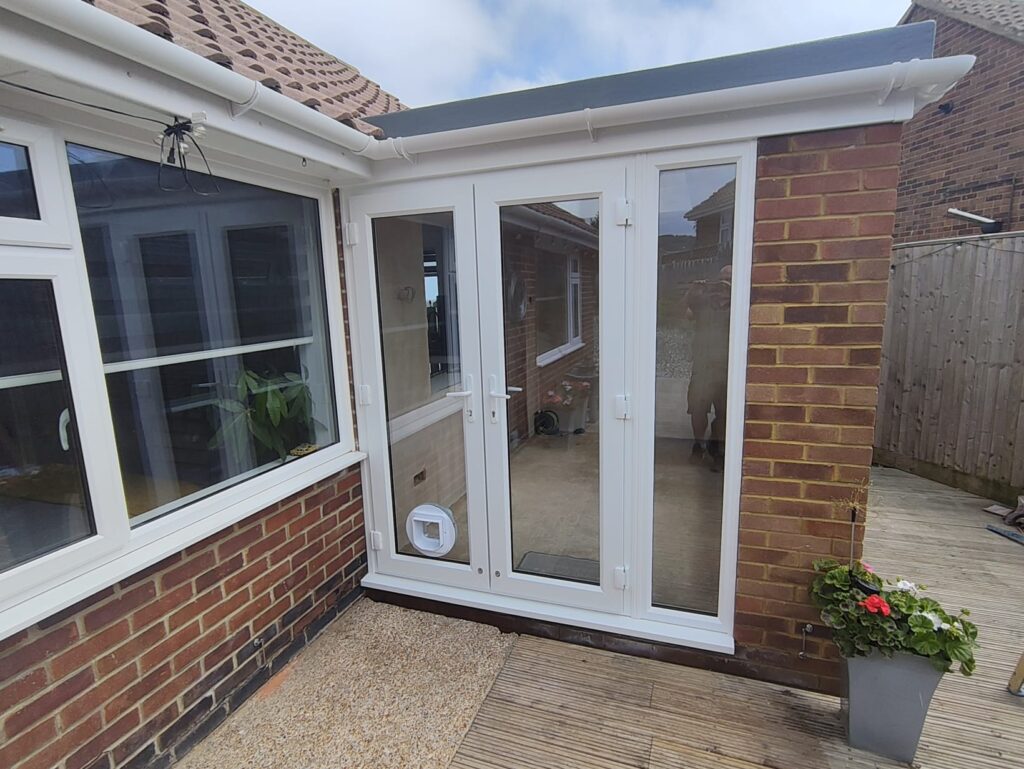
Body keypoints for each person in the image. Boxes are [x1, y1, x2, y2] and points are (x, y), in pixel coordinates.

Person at [681, 264, 731, 471]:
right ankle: (698, 444)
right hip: (702, 365)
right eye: (723, 278)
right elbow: (686, 312)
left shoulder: (740, 303)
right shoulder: (703, 300)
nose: (725, 283)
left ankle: (718, 449)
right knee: (697, 408)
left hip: (727, 368)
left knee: (725, 412)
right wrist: (693, 290)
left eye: (730, 279)